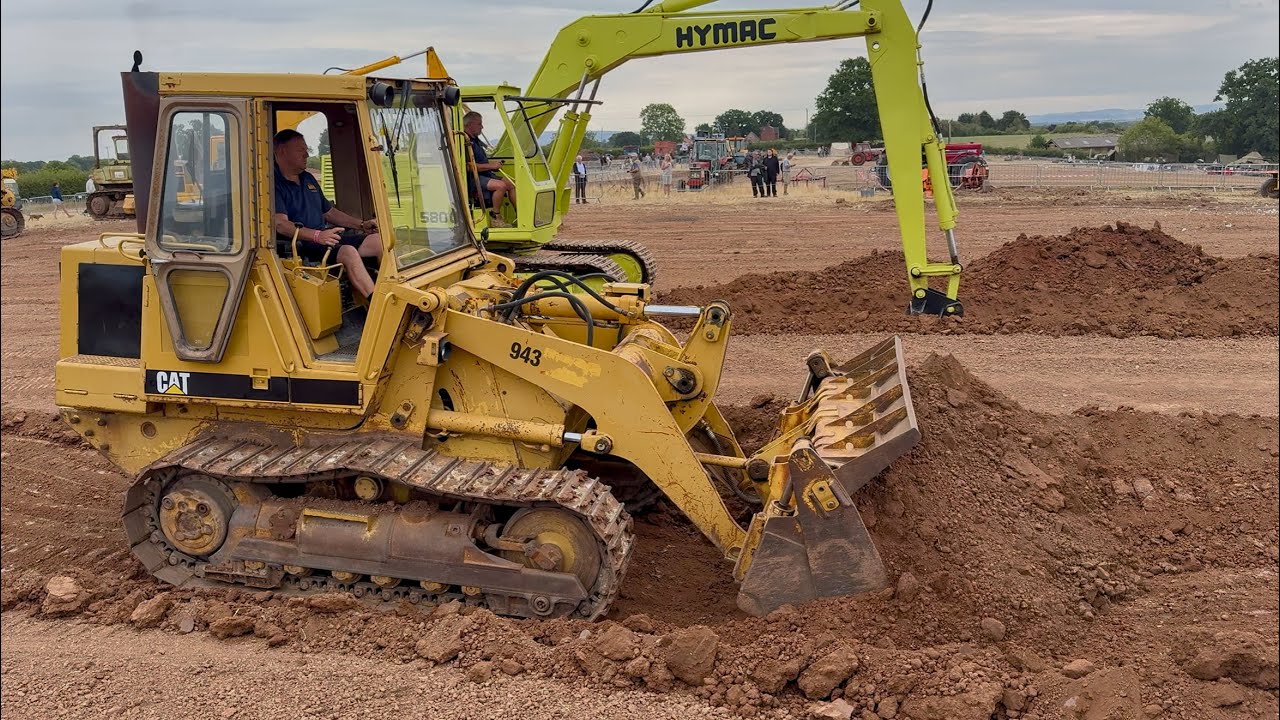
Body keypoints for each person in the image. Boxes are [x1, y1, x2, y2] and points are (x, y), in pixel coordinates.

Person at [271, 129, 382, 301]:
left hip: (324, 238)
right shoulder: (272, 183)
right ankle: (377, 305)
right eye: (301, 150)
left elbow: (328, 212)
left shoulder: (308, 178)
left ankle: (391, 291)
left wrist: (361, 225)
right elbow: (280, 224)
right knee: (348, 252)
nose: (307, 154)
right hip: (301, 245)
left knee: (379, 241)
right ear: (282, 151)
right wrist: (317, 236)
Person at [462, 111, 516, 224]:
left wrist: (492, 167)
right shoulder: (463, 141)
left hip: (484, 175)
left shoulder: (475, 141)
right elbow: (467, 166)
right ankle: (495, 217)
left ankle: (521, 215)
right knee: (500, 186)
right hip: (471, 179)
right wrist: (491, 166)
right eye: (479, 124)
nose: (482, 127)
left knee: (511, 183)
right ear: (469, 124)